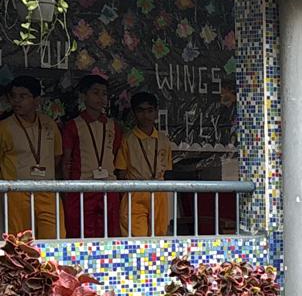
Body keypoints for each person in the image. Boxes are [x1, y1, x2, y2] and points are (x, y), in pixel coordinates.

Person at [0, 76, 63, 239]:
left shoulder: (49, 124)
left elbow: (57, 156)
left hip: (47, 190)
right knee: (19, 243)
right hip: (16, 194)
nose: (16, 101)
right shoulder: (4, 127)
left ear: (37, 100)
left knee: (54, 240)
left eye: (23, 96)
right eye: (13, 96)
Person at [61, 74, 124, 238]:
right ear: (84, 96)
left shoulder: (113, 126)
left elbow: (115, 154)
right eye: (95, 92)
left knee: (110, 233)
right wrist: (68, 189)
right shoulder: (73, 125)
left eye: (104, 93)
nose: (100, 97)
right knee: (80, 233)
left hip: (109, 186)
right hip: (82, 186)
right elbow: (66, 160)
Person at [115, 92, 174, 236]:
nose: (146, 115)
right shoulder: (128, 139)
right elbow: (121, 171)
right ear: (134, 113)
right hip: (135, 190)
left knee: (159, 236)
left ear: (156, 112)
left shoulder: (163, 140)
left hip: (159, 191)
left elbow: (167, 170)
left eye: (150, 110)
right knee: (136, 237)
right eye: (141, 111)